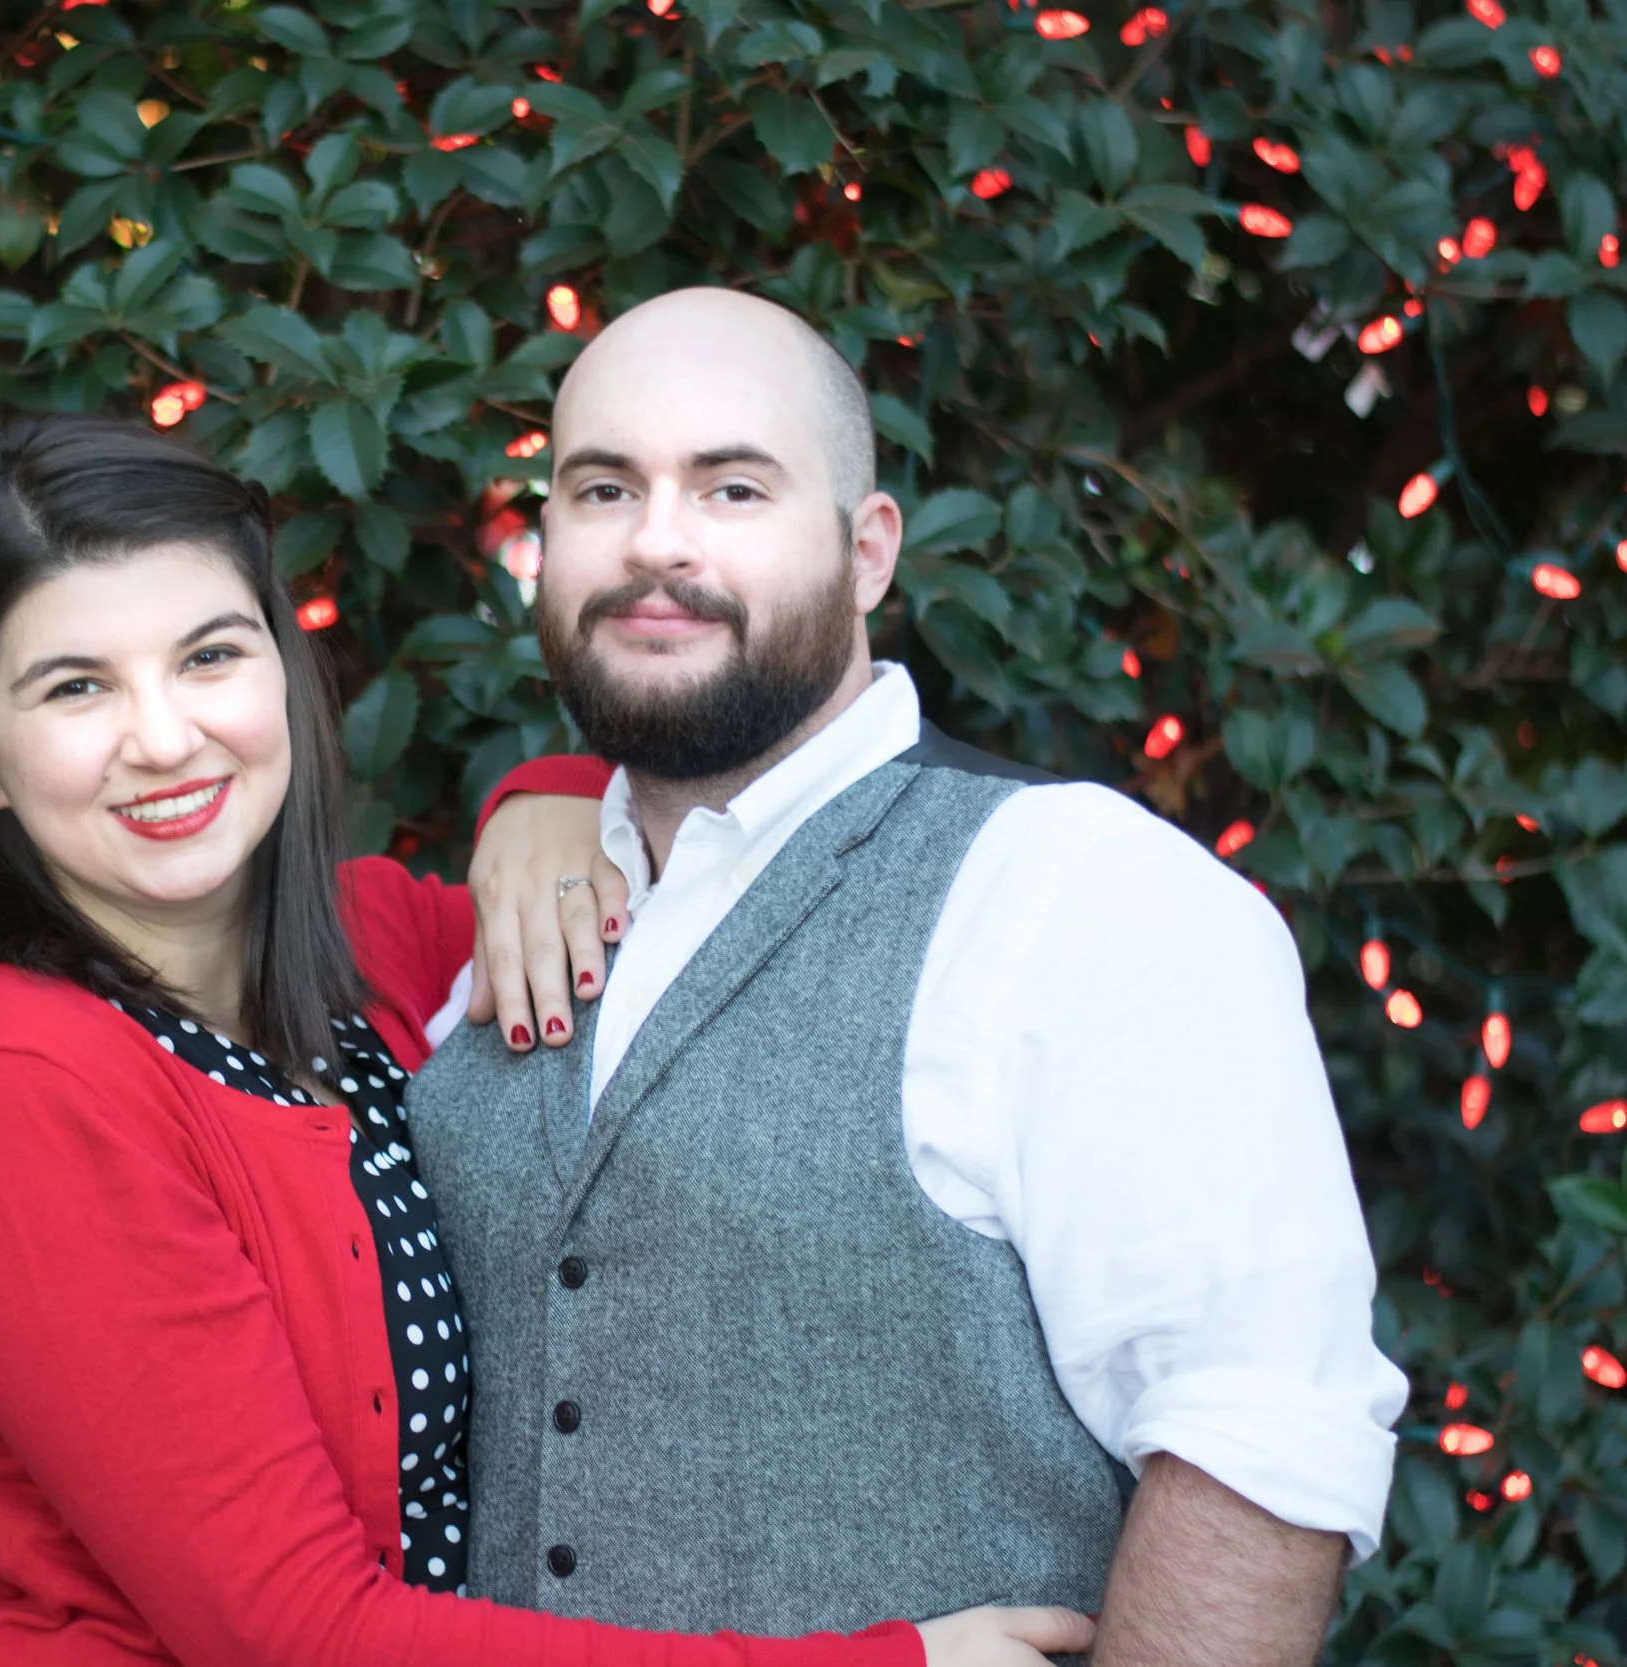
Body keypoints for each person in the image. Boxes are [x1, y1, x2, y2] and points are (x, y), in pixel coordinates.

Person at [0, 414, 1093, 1666]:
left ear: (280, 663)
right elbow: (292, 1630)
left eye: (209, 656)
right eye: (77, 686)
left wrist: (553, 803)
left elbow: (663, 888)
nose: (164, 736)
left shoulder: (378, 944)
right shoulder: (11, 1085)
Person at [407, 287, 1410, 1667]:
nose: (656, 541)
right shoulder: (500, 921)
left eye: (733, 486)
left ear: (868, 550)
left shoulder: (1077, 888)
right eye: (603, 488)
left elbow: (1260, 1442)